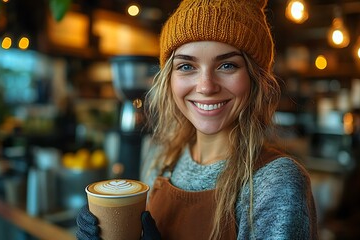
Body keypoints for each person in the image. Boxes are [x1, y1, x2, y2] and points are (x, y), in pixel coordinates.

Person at [76, 0, 318, 239]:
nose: (206, 87)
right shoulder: (161, 157)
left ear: (255, 78)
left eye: (226, 65)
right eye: (186, 66)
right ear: (169, 78)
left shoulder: (275, 182)